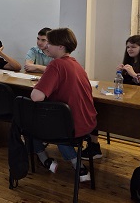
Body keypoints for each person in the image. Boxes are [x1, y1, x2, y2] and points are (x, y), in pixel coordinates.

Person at [30, 27, 97, 182]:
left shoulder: (56, 65)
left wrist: (40, 85)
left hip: (69, 126)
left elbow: (36, 96)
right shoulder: (76, 64)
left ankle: (45, 159)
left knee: (27, 119)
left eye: (49, 43)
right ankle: (79, 167)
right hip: (87, 122)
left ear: (61, 46)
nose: (46, 46)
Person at [83, 34, 140, 160]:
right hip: (125, 100)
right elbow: (122, 84)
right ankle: (94, 145)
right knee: (96, 109)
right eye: (128, 47)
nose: (129, 50)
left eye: (133, 47)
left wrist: (134, 75)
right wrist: (119, 72)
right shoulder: (129, 62)